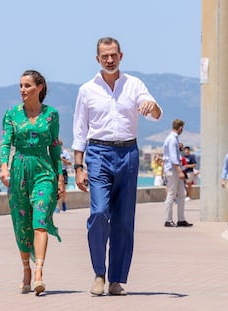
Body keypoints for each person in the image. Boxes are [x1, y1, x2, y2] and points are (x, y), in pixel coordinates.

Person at [72, 37, 162, 296]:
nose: (109, 60)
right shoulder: (86, 90)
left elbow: (155, 114)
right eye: (104, 56)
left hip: (128, 153)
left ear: (121, 56)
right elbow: (80, 131)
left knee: (123, 220)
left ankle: (116, 279)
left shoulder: (135, 85)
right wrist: (78, 166)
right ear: (97, 59)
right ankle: (99, 272)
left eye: (113, 55)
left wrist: (151, 106)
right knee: (99, 213)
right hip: (98, 152)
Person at [0, 70, 64, 296]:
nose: (22, 90)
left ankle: (38, 273)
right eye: (20, 86)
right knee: (22, 225)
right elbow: (6, 143)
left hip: (44, 171)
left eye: (27, 86)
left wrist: (61, 176)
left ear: (40, 88)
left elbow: (55, 146)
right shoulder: (12, 114)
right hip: (19, 172)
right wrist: (4, 166)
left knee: (40, 221)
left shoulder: (51, 115)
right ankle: (26, 270)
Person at [162, 119, 193, 228]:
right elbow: (173, 158)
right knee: (171, 194)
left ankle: (181, 219)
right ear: (180, 127)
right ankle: (168, 219)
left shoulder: (174, 139)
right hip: (173, 170)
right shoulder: (172, 140)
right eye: (182, 128)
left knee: (182, 193)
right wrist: (180, 171)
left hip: (175, 169)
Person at [56, 139, 71, 212]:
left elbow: (69, 163)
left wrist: (62, 159)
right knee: (57, 189)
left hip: (63, 171)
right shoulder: (54, 153)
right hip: (56, 171)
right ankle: (57, 207)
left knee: (63, 190)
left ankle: (63, 202)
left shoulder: (65, 153)